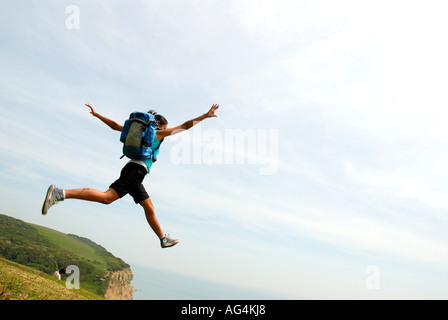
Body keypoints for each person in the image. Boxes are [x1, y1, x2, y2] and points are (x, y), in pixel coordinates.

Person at [42, 103, 220, 248]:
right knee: (107, 197)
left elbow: (114, 126)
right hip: (136, 171)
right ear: (159, 125)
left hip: (133, 170)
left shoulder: (139, 132)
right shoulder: (158, 133)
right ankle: (60, 193)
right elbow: (185, 126)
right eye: (164, 128)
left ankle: (163, 238)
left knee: (148, 207)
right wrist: (205, 115)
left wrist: (97, 115)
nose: (165, 132)